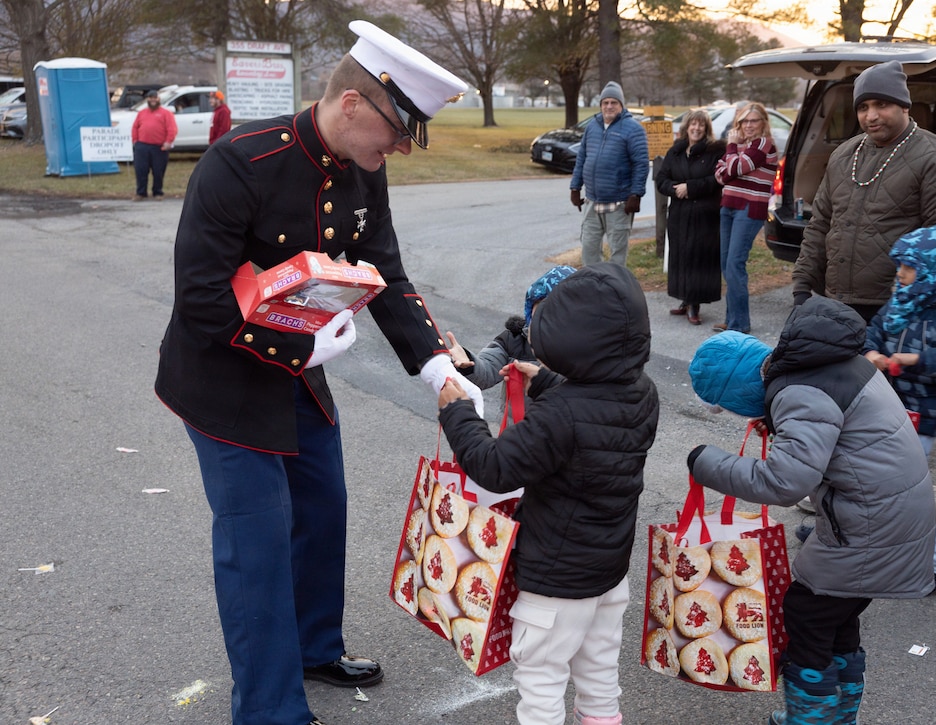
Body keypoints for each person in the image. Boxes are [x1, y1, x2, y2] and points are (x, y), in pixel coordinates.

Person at [154, 21, 481, 725]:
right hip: (221, 380)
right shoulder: (238, 162)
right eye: (395, 131)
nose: (397, 149)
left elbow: (386, 273)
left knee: (323, 509)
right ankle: (270, 707)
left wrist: (436, 369)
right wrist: (307, 350)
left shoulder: (365, 170)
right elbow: (203, 299)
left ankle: (311, 645)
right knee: (258, 540)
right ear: (354, 104)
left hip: (300, 375)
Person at [686, 299, 936, 725]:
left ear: (739, 390)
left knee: (805, 615)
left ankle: (813, 719)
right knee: (834, 616)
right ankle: (837, 717)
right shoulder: (826, 363)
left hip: (870, 527)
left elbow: (784, 482)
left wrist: (703, 460)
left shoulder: (799, 393)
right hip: (890, 515)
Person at [437, 263, 660, 725]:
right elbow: (596, 416)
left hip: (555, 583)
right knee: (599, 674)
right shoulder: (643, 392)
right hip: (607, 573)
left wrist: (459, 415)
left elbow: (495, 467)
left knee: (540, 678)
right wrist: (547, 382)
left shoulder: (560, 416)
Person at [792, 60, 936, 323]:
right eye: (863, 107)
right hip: (836, 301)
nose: (871, 115)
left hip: (897, 308)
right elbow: (820, 225)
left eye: (881, 104)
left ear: (904, 105)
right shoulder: (843, 155)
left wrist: (908, 302)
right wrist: (801, 285)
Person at [861, 224, 936, 591]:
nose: (900, 274)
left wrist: (918, 359)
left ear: (933, 270)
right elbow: (873, 330)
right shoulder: (899, 301)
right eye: (899, 266)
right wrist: (869, 352)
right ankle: (861, 543)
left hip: (921, 418)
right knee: (873, 482)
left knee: (903, 491)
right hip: (885, 412)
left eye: (908, 267)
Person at [445, 265, 575, 412]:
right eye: (540, 307)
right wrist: (469, 364)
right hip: (517, 431)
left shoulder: (585, 348)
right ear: (530, 308)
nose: (546, 316)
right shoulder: (514, 339)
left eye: (556, 310)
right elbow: (486, 372)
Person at [712, 102, 779, 333]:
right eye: (744, 121)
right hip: (728, 207)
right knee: (725, 264)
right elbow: (719, 175)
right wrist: (732, 163)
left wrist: (731, 148)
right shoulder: (740, 147)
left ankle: (740, 324)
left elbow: (736, 168)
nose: (748, 126)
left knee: (734, 265)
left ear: (763, 123)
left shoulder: (764, 144)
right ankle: (732, 319)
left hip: (749, 209)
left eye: (753, 121)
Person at [656, 108, 725, 325]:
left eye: (701, 125)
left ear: (706, 129)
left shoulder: (714, 151)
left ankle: (695, 304)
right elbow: (661, 179)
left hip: (704, 215)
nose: (696, 128)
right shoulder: (675, 151)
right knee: (681, 257)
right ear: (686, 127)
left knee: (698, 259)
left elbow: (716, 180)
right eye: (693, 124)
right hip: (679, 214)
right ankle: (684, 299)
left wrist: (690, 188)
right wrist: (675, 188)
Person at [569, 82, 649, 267]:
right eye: (605, 102)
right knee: (589, 251)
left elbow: (641, 164)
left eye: (614, 102)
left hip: (619, 203)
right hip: (592, 201)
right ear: (601, 105)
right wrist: (575, 187)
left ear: (621, 105)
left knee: (617, 256)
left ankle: (616, 292)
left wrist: (636, 194)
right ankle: (594, 290)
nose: (609, 106)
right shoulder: (592, 126)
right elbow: (582, 158)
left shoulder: (633, 129)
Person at [131, 89, 177, 201]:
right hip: (142, 146)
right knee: (141, 170)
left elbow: (172, 129)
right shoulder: (141, 113)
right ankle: (141, 193)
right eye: (150, 98)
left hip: (159, 147)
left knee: (158, 171)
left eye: (155, 97)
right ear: (147, 99)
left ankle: (158, 192)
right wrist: (135, 141)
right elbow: (135, 127)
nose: (153, 100)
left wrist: (168, 141)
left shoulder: (166, 113)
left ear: (158, 99)